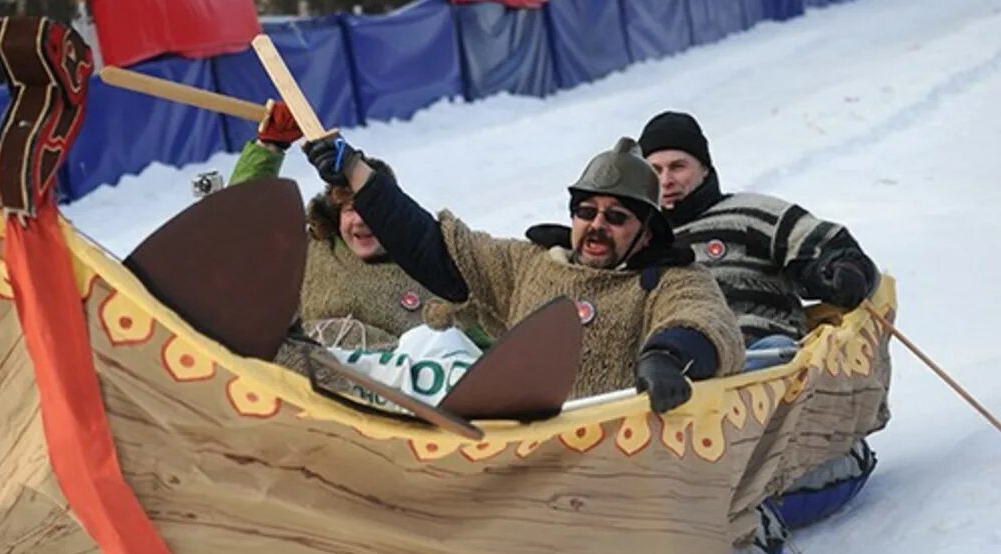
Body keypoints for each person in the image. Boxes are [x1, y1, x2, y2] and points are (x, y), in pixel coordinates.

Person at [301, 135, 745, 412]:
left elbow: (703, 319)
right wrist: (358, 174)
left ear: (646, 233)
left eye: (616, 218)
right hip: (520, 450)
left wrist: (666, 359)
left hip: (616, 453)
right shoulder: (529, 265)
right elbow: (436, 246)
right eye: (586, 212)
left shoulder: (670, 280)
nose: (597, 226)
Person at [229, 104, 485, 348]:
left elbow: (485, 342)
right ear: (335, 216)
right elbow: (239, 225)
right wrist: (270, 148)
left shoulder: (437, 271)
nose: (361, 220)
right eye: (351, 210)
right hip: (308, 377)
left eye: (371, 211)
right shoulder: (310, 253)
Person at [636, 111, 879, 368]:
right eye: (655, 171)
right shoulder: (635, 237)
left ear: (704, 169)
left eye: (678, 167)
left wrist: (837, 270)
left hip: (757, 349)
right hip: (678, 364)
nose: (666, 180)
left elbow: (826, 245)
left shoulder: (751, 213)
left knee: (774, 354)